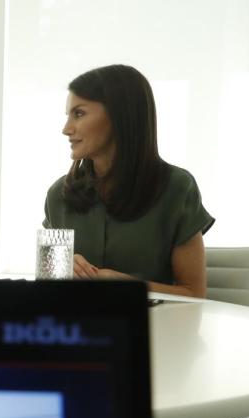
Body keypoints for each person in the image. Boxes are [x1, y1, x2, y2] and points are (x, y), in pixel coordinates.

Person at [43, 64, 214, 297]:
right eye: (68, 116)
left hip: (158, 330)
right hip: (78, 330)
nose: (66, 129)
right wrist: (62, 269)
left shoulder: (177, 188)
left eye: (79, 114)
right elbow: (46, 287)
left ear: (119, 115)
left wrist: (127, 286)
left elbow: (194, 294)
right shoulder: (57, 195)